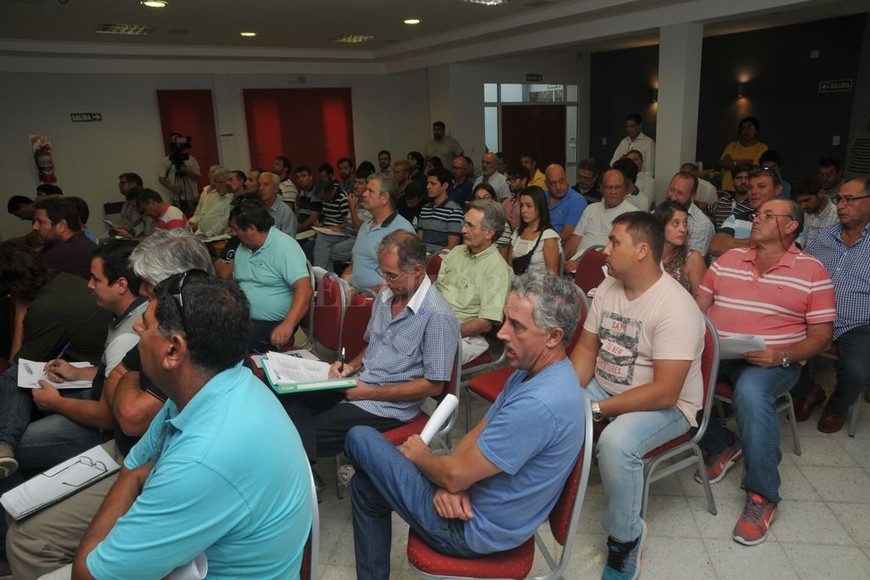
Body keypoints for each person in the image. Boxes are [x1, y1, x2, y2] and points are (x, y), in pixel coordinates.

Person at [71, 273, 312, 579]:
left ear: (173, 350)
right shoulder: (217, 383)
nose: (136, 327)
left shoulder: (205, 456)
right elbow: (136, 465)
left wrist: (135, 479)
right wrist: (136, 476)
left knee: (39, 550)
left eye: (145, 324)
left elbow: (87, 575)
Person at [4, 229, 214, 579]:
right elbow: (118, 385)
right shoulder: (149, 328)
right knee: (21, 515)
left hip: (130, 449)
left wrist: (61, 401)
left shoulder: (179, 346)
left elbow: (128, 416)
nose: (141, 313)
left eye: (149, 294)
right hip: (132, 450)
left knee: (26, 537)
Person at [347, 272, 584, 580]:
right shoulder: (534, 371)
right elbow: (482, 430)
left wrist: (428, 460)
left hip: (470, 529)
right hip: (475, 503)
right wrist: (453, 482)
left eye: (517, 326)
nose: (502, 333)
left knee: (360, 437)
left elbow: (456, 472)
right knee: (365, 488)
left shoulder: (540, 403)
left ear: (553, 336)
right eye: (505, 320)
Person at [570, 211, 705, 579]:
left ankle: (626, 540)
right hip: (608, 386)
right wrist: (566, 391)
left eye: (614, 242)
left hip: (669, 406)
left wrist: (596, 408)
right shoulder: (609, 288)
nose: (605, 249)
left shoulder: (675, 307)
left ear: (642, 250)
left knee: (616, 443)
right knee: (548, 403)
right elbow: (585, 351)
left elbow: (664, 392)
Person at [697, 199, 834, 546]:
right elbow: (699, 308)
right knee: (674, 372)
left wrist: (782, 355)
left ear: (791, 226)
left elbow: (821, 336)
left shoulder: (812, 271)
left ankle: (762, 495)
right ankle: (722, 443)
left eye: (768, 215)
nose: (756, 218)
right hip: (721, 351)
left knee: (750, 393)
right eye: (758, 214)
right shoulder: (728, 260)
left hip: (775, 361)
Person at [282, 231, 459, 482]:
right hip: (359, 383)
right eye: (382, 273)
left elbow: (434, 385)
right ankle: (304, 469)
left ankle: (302, 480)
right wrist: (350, 367)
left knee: (312, 429)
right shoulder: (387, 297)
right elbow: (374, 344)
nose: (384, 282)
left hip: (387, 406)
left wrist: (368, 392)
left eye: (392, 275)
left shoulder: (437, 316)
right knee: (291, 400)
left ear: (418, 270)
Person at [11, 240, 146, 474]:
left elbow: (107, 417)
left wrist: (56, 403)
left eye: (96, 279)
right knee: (16, 375)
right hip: (98, 391)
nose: (89, 285)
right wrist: (77, 372)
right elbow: (119, 375)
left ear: (121, 285)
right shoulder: (130, 313)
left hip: (107, 431)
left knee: (17, 447)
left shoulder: (127, 336)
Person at [0, 243, 111, 477]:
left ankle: (4, 443)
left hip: (91, 394)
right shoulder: (65, 279)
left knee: (13, 377)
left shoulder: (45, 307)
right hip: (89, 372)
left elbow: (18, 363)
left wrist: (20, 310)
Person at [798, 176, 870, 433]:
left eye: (850, 200)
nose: (840, 205)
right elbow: (801, 270)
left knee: (857, 369)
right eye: (839, 199)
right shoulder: (823, 237)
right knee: (774, 342)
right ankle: (810, 391)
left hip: (859, 324)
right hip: (814, 316)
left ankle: (836, 407)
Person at [227, 196, 312, 351]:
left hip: (272, 322)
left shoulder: (284, 247)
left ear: (252, 229)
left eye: (236, 230)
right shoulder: (243, 247)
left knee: (231, 348)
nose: (233, 234)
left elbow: (305, 290)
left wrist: (288, 324)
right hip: (243, 316)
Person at [435, 200, 513, 364]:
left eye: (470, 226)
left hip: (464, 335)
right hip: (435, 321)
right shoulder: (456, 252)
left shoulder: (498, 270)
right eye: (464, 223)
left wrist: (444, 332)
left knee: (415, 356)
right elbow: (435, 292)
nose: (462, 230)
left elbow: (484, 323)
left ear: (489, 233)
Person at [345, 174, 415, 292]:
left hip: (380, 301)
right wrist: (344, 282)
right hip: (355, 295)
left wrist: (362, 295)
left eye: (370, 191)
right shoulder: (365, 226)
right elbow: (356, 262)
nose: (364, 194)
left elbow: (405, 279)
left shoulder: (402, 231)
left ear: (384, 198)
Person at [564, 167, 636, 271]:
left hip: (604, 269)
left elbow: (616, 248)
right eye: (609, 187)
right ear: (601, 188)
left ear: (625, 188)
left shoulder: (632, 214)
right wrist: (561, 261)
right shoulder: (591, 208)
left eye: (618, 187)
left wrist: (583, 264)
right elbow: (575, 238)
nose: (613, 192)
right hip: (575, 265)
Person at [708, 167, 783, 258]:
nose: (753, 192)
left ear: (777, 190)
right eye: (750, 187)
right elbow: (716, 246)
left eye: (761, 186)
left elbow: (781, 251)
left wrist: (735, 242)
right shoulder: (736, 219)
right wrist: (760, 242)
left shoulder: (789, 222)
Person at [31, 195, 96, 279]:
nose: (35, 226)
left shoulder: (58, 255)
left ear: (62, 226)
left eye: (40, 222)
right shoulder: (83, 242)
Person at [653, 201, 707, 296]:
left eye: (685, 223)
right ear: (661, 226)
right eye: (676, 224)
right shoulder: (649, 254)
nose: (683, 229)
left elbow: (701, 301)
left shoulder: (692, 258)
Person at [509, 186, 561, 275]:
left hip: (539, 286)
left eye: (529, 206)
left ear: (540, 206)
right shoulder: (517, 232)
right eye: (521, 205)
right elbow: (509, 267)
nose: (523, 210)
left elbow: (553, 277)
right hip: (516, 285)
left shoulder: (548, 236)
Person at [664, 171, 715, 257]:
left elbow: (691, 263)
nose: (673, 197)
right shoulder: (658, 212)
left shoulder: (702, 225)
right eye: (672, 190)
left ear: (692, 197)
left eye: (680, 193)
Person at [418, 167, 464, 253]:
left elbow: (452, 246)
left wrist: (434, 259)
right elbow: (419, 239)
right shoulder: (425, 209)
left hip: (441, 259)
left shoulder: (454, 211)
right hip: (421, 256)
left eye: (433, 183)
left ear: (445, 186)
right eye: (427, 183)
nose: (428, 187)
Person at [719, 117, 767, 191]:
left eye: (750, 127)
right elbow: (723, 164)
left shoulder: (762, 148)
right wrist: (747, 161)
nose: (746, 131)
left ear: (756, 130)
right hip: (728, 187)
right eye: (743, 128)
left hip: (748, 189)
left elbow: (754, 168)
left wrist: (732, 162)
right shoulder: (732, 145)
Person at [158, 132, 201, 213]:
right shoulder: (167, 160)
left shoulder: (191, 159)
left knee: (195, 219)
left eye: (177, 140)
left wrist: (187, 171)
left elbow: (197, 177)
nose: (175, 143)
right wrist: (172, 188)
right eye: (173, 141)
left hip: (192, 196)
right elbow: (161, 178)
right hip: (176, 198)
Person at [545, 164, 587, 244]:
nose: (558, 187)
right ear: (546, 184)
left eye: (561, 181)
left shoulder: (577, 201)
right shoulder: (543, 196)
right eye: (553, 183)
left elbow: (565, 237)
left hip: (558, 246)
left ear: (567, 179)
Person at [188, 165, 233, 237]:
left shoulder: (231, 198)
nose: (217, 185)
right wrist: (191, 224)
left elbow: (224, 221)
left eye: (221, 182)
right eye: (216, 182)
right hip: (201, 234)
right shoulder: (211, 194)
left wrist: (208, 234)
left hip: (219, 238)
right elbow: (201, 213)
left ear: (228, 183)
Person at [792, 173, 837, 245]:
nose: (803, 206)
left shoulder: (838, 217)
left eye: (806, 200)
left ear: (821, 193)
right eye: (799, 202)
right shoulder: (799, 212)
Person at [707, 163, 752, 230]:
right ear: (733, 181)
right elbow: (705, 209)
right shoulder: (723, 201)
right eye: (739, 178)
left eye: (747, 178)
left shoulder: (754, 205)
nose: (743, 182)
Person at [472, 183, 512, 258]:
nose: (481, 202)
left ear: (493, 200)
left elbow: (502, 260)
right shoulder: (469, 221)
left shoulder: (502, 225)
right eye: (477, 198)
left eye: (486, 198)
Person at [258, 171, 298, 237]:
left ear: (276, 188)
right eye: (259, 185)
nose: (261, 188)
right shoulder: (257, 208)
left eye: (266, 184)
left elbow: (288, 242)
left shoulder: (286, 212)